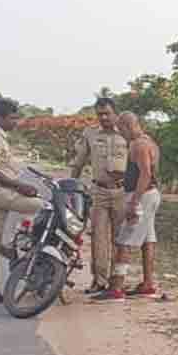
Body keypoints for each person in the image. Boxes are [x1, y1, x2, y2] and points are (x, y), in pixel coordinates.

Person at [0, 98, 43, 305]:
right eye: (12, 118)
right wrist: (19, 186)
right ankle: (24, 245)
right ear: (0, 117)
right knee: (43, 208)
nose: (16, 122)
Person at [94, 112, 161, 301]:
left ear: (126, 126)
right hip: (150, 194)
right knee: (148, 240)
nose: (120, 134)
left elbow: (145, 174)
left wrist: (134, 202)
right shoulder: (149, 141)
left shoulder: (139, 145)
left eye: (120, 129)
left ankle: (116, 288)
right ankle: (147, 284)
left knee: (124, 240)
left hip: (142, 196)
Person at [68, 97, 129, 293]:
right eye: (99, 114)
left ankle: (117, 281)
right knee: (98, 238)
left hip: (122, 191)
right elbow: (78, 162)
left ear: (116, 114)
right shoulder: (90, 134)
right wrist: (70, 187)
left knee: (120, 239)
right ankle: (99, 280)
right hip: (99, 191)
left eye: (107, 113)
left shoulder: (127, 135)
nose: (103, 117)